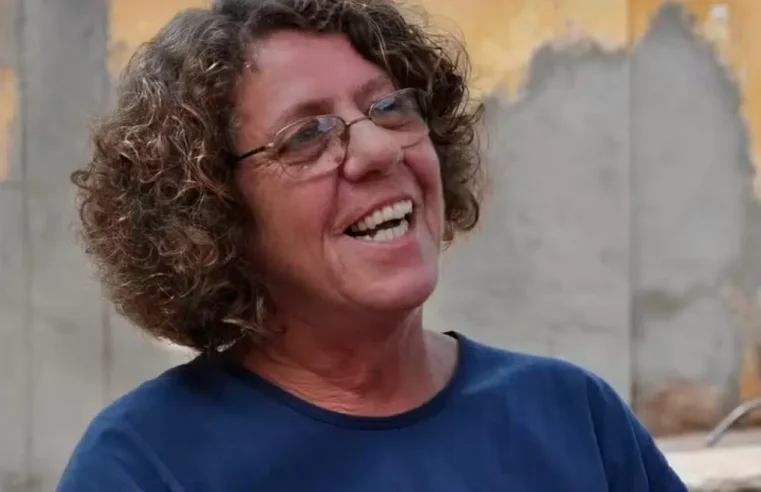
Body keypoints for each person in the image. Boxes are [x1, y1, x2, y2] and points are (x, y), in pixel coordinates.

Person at [56, 0, 688, 491]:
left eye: (389, 107)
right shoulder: (148, 464)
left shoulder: (573, 418)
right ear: (214, 210)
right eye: (307, 136)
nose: (380, 148)